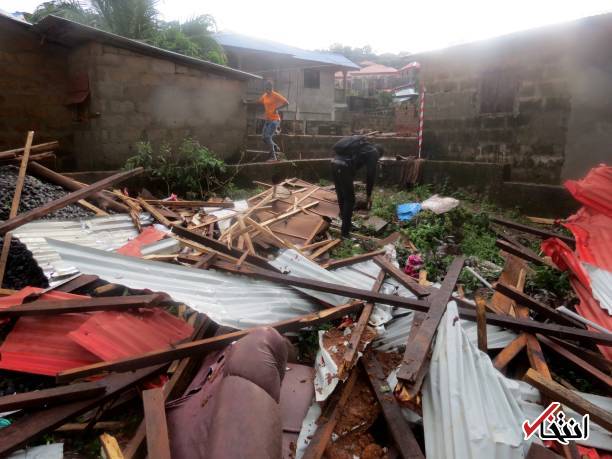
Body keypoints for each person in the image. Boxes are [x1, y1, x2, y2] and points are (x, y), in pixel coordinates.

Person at [331, 135, 383, 238]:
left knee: (342, 196)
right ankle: (345, 234)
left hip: (334, 163)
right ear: (379, 153)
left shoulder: (363, 148)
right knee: (350, 200)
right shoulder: (373, 153)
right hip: (343, 166)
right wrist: (368, 195)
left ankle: (346, 225)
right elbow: (370, 175)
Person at [258, 81, 288, 161]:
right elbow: (259, 101)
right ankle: (274, 146)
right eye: (267, 89)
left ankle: (273, 157)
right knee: (263, 138)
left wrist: (277, 108)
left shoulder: (275, 95)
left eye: (269, 89)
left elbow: (286, 103)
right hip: (267, 120)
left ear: (272, 88)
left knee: (268, 137)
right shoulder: (264, 96)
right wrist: (247, 102)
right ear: (265, 88)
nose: (268, 90)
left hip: (275, 120)